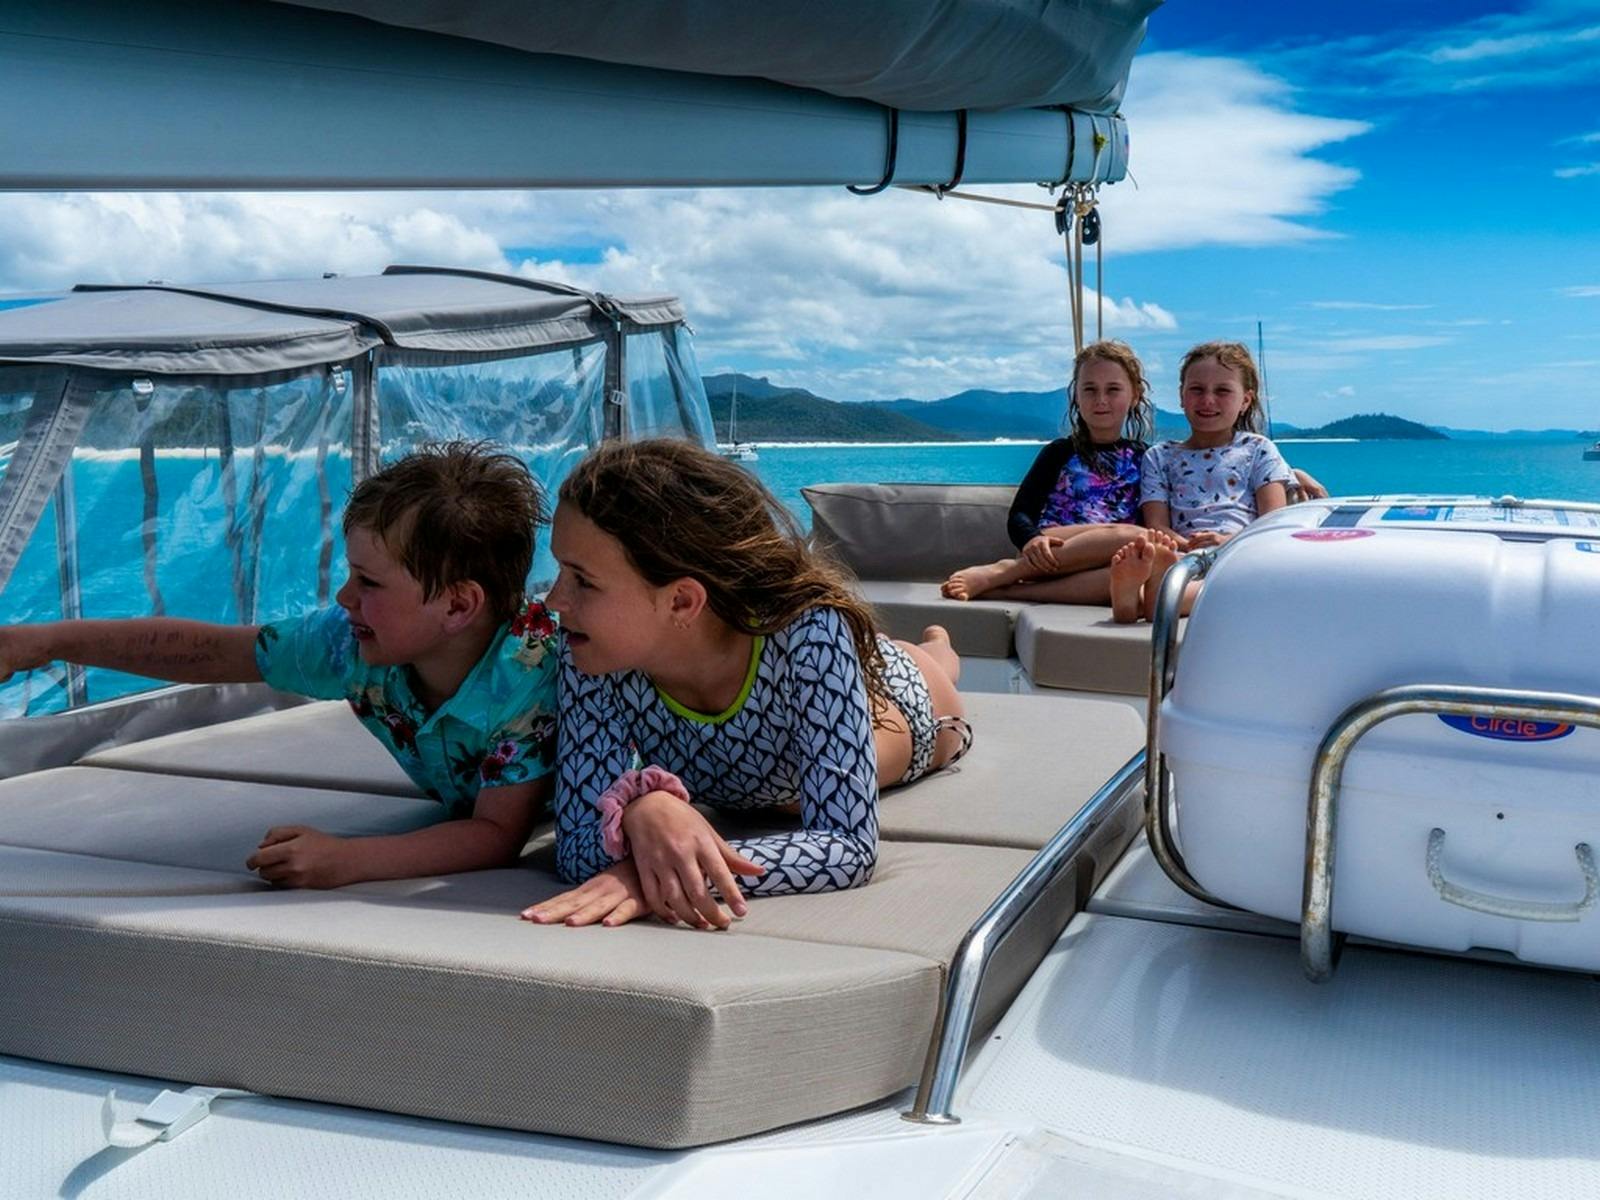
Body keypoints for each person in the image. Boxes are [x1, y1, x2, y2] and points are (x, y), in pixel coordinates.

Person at [0, 441, 559, 887]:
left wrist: (348, 860)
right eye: (350, 574)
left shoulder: (530, 674)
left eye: (369, 582)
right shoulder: (352, 644)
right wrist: (43, 642)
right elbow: (215, 651)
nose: (345, 597)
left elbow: (494, 832)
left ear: (458, 605)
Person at [521, 438, 970, 933]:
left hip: (907, 708)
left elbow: (848, 845)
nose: (555, 599)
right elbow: (577, 845)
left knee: (931, 665)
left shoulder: (807, 631)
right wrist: (638, 812)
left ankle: (937, 646)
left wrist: (653, 874)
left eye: (582, 580)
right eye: (558, 570)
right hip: (777, 742)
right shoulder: (593, 652)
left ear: (681, 602)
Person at [941, 340, 1153, 605]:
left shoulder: (1146, 458)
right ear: (1076, 394)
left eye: (1112, 390)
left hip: (1109, 559)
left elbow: (1154, 515)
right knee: (1134, 535)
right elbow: (1020, 512)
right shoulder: (1060, 452)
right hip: (1051, 551)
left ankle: (1005, 590)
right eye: (1090, 389)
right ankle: (1008, 570)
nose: (1100, 400)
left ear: (1134, 395)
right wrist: (1030, 540)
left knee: (1127, 572)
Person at [1109, 340, 1293, 623]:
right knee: (1178, 574)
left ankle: (1138, 601)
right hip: (1181, 555)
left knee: (1231, 586)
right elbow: (1157, 524)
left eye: (1222, 391)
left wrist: (1228, 542)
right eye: (1197, 389)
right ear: (1182, 396)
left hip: (1241, 555)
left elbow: (1273, 522)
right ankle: (1149, 596)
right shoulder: (1159, 457)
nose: (1208, 400)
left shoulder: (1258, 449)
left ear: (1245, 400)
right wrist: (1184, 545)